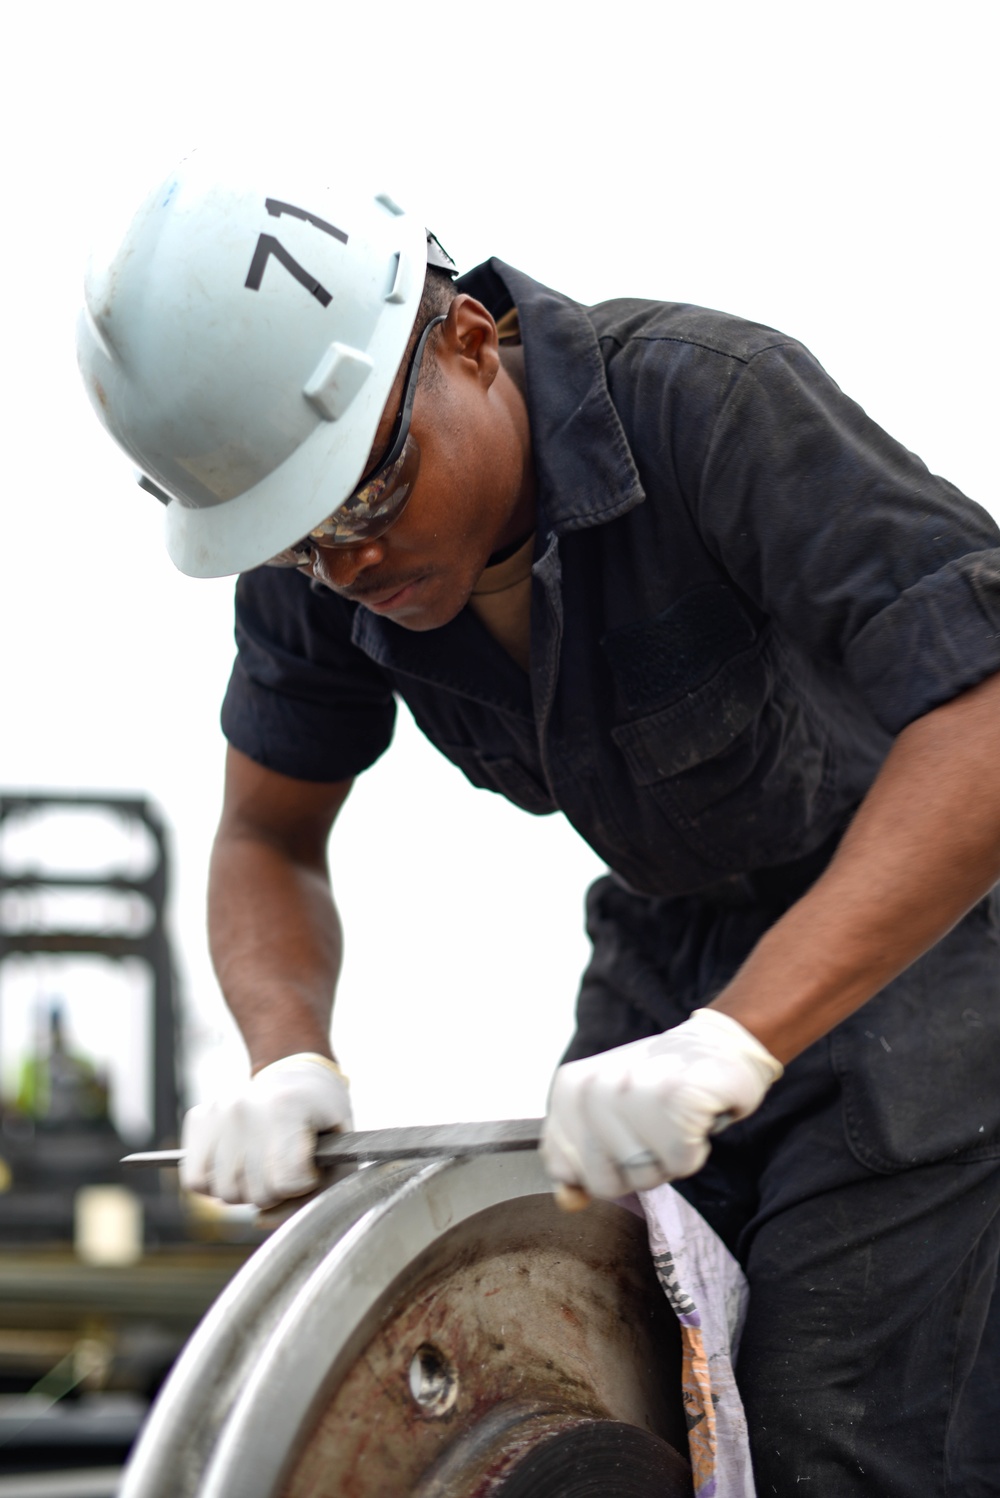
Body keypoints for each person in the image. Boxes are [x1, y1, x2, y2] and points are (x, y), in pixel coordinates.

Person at [77, 153, 1000, 1495]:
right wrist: (287, 1054)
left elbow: (981, 712)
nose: (350, 566)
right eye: (298, 542)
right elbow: (265, 839)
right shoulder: (326, 557)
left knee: (833, 1423)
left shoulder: (709, 407)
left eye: (371, 500)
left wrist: (744, 1033)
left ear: (467, 342)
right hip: (663, 944)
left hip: (925, 946)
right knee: (587, 1354)